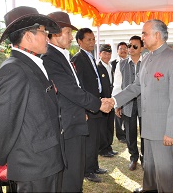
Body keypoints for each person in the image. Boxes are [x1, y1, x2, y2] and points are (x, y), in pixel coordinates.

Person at [109, 19, 173, 192]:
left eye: (145, 33)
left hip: (164, 130)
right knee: (150, 169)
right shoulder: (146, 60)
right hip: (148, 126)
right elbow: (136, 87)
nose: (142, 37)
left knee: (165, 172)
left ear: (157, 35)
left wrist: (171, 131)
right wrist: (114, 100)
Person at [0, 6, 64, 192]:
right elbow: (4, 120)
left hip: (46, 161)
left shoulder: (32, 63)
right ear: (28, 36)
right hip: (33, 166)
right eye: (43, 32)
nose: (47, 37)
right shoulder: (14, 69)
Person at [42, 13, 112, 190]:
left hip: (76, 119)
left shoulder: (62, 55)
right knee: (71, 174)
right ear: (55, 34)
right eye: (67, 32)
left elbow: (76, 87)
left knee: (77, 169)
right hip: (67, 123)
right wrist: (97, 104)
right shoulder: (50, 58)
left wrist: (83, 111)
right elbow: (70, 90)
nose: (70, 36)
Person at [112, 36, 144, 171]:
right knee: (130, 133)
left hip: (145, 104)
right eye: (129, 45)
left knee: (145, 133)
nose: (130, 48)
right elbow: (117, 85)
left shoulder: (148, 63)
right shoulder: (121, 64)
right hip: (128, 104)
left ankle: (145, 158)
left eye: (134, 46)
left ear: (142, 48)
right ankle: (133, 157)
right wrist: (117, 104)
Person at [96, 44, 118, 157]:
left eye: (109, 53)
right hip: (103, 102)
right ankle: (103, 149)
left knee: (110, 125)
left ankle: (109, 146)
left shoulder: (111, 66)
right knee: (102, 127)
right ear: (100, 54)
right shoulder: (97, 67)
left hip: (111, 101)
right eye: (104, 53)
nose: (107, 55)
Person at [110, 42, 128, 143]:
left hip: (127, 92)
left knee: (127, 114)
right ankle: (120, 135)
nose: (123, 50)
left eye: (125, 48)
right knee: (118, 114)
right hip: (117, 91)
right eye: (121, 49)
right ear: (117, 51)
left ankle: (126, 133)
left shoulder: (130, 63)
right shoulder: (113, 64)